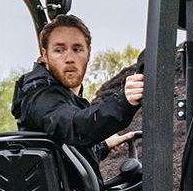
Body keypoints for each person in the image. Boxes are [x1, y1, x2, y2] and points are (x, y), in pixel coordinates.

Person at [9, 15, 145, 171]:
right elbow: (76, 126)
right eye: (59, 50)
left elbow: (66, 148)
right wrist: (123, 102)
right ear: (44, 55)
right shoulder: (39, 96)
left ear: (88, 53)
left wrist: (103, 146)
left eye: (77, 49)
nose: (69, 58)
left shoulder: (65, 97)